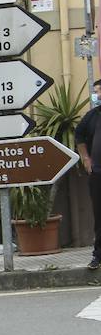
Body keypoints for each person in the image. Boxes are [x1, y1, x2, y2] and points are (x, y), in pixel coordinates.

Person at [73, 79, 101, 269]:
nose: (98, 95)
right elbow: (79, 136)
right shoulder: (92, 116)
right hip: (98, 173)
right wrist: (85, 158)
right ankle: (98, 255)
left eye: (100, 91)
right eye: (96, 92)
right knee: (99, 216)